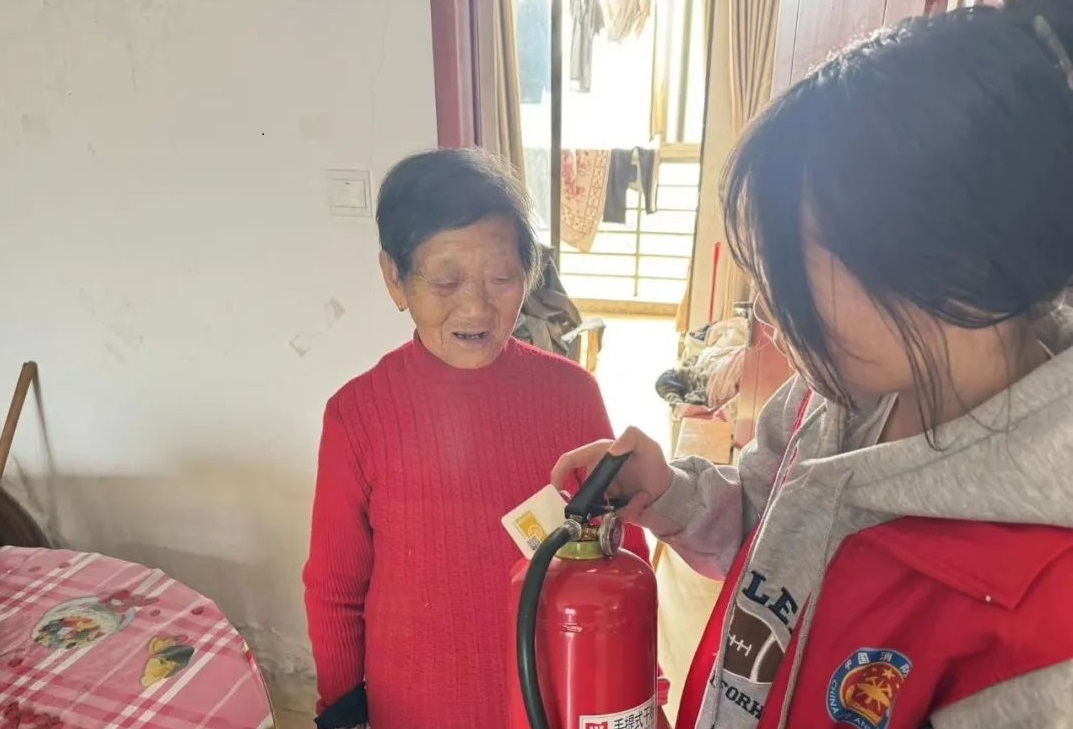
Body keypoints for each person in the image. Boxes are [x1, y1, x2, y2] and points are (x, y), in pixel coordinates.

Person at [552, 2, 1073, 727]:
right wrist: (670, 493)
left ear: (943, 265)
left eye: (788, 273)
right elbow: (769, 529)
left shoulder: (1044, 623)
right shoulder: (820, 401)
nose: (766, 308)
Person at [302, 148, 661, 729]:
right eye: (445, 281)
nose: (475, 307)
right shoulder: (357, 415)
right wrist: (342, 715)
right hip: (413, 709)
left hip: (550, 697)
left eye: (501, 278)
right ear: (395, 278)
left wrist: (643, 696)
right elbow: (335, 591)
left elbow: (621, 555)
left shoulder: (572, 396)